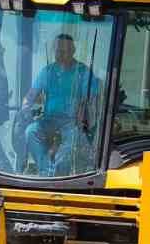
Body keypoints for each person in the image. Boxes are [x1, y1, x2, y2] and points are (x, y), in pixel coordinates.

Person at [23, 32, 97, 175]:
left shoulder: (83, 72)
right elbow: (32, 94)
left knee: (70, 144)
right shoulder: (48, 71)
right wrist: (25, 107)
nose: (60, 55)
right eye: (57, 51)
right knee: (30, 131)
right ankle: (46, 172)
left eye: (64, 52)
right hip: (49, 120)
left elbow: (91, 99)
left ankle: (58, 174)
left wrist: (83, 119)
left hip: (73, 123)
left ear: (73, 51)